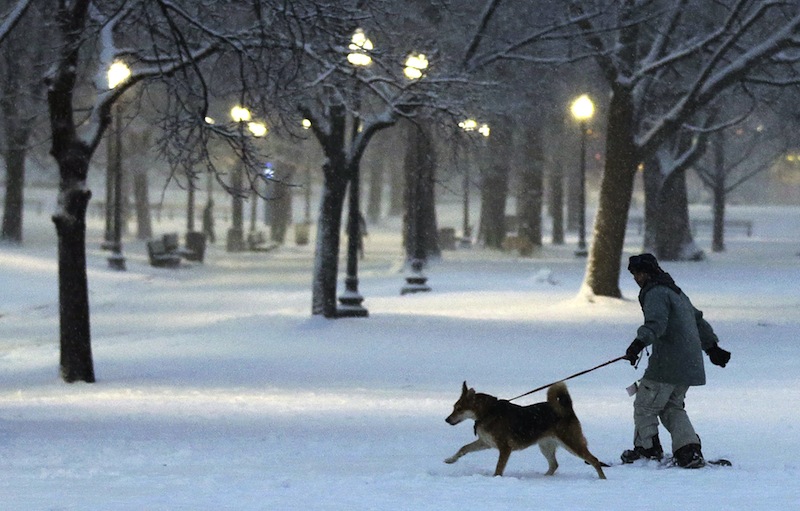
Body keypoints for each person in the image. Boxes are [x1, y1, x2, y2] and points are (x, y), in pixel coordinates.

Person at [622, 253, 731, 468]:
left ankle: (647, 450)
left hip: (668, 363)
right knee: (671, 406)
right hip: (689, 363)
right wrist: (712, 347)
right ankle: (688, 450)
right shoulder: (675, 291)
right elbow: (697, 320)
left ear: (649, 272)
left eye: (639, 273)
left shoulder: (655, 292)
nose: (636, 278)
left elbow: (656, 323)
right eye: (634, 273)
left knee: (645, 405)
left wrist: (638, 344)